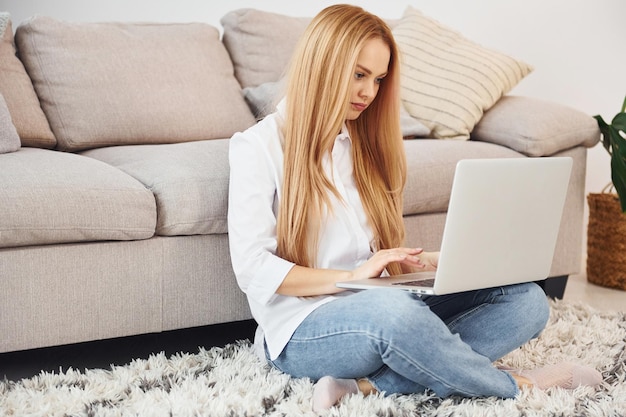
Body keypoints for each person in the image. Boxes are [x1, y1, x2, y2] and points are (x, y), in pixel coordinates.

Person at [227, 4, 602, 412]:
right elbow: (252, 268)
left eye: (378, 79)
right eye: (359, 75)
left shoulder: (359, 146)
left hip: (383, 303)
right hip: (303, 330)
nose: (369, 92)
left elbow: (377, 262)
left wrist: (436, 264)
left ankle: (365, 387)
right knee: (397, 316)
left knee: (526, 300)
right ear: (323, 64)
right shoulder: (257, 148)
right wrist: (350, 278)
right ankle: (520, 386)